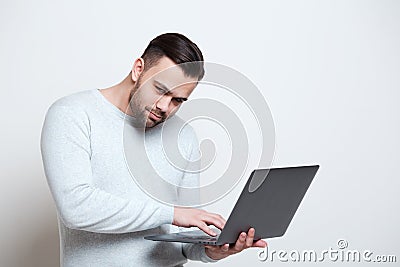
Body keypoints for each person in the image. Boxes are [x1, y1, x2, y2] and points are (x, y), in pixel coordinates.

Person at [40, 32, 267, 266]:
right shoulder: (73, 114)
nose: (164, 106)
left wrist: (211, 251)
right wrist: (172, 214)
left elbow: (184, 239)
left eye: (178, 100)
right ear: (138, 69)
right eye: (160, 89)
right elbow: (76, 208)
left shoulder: (184, 136)